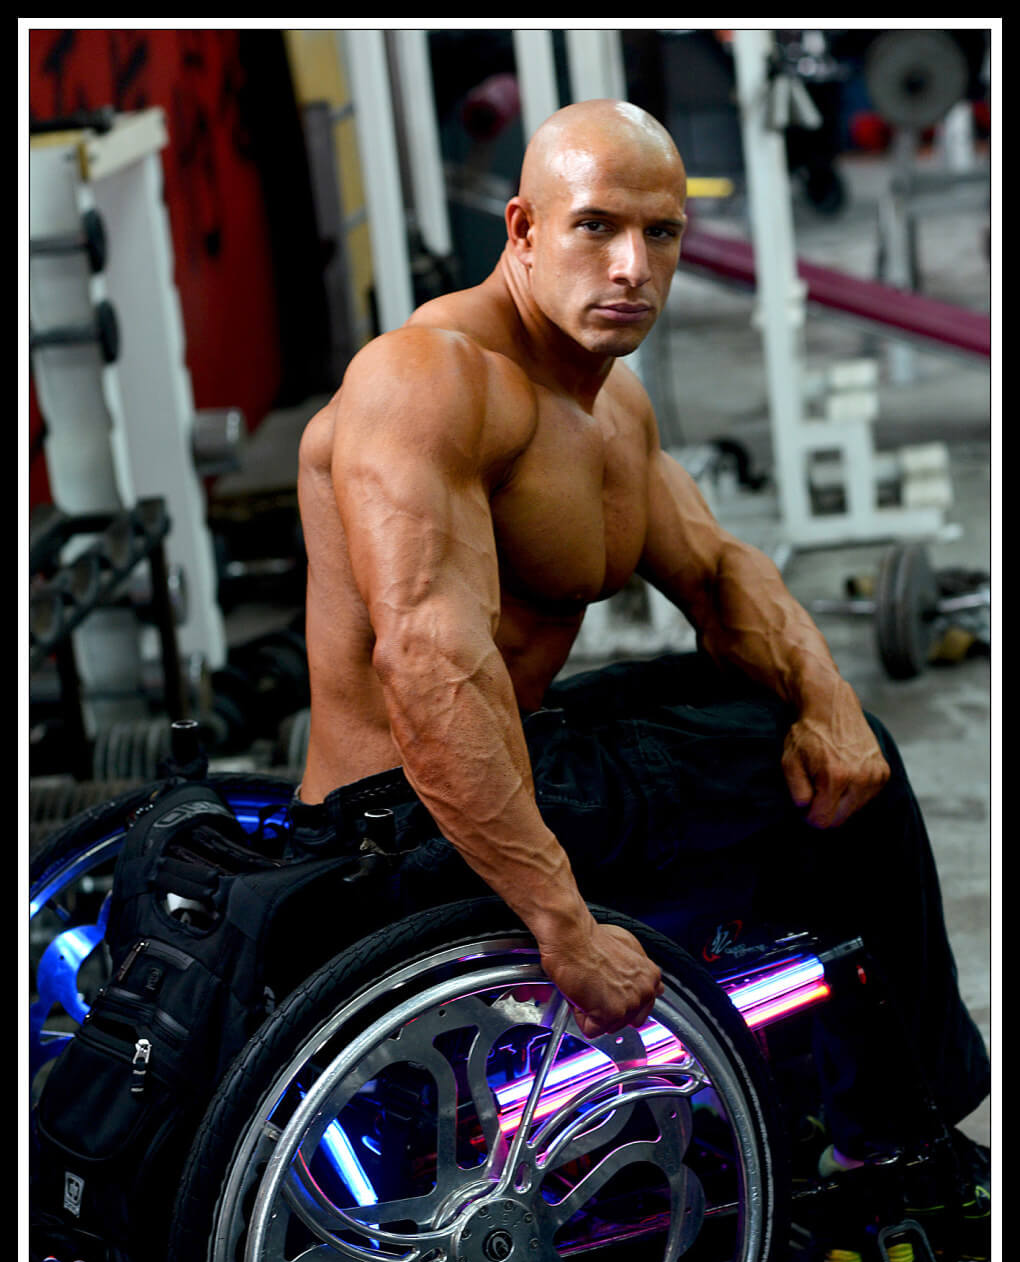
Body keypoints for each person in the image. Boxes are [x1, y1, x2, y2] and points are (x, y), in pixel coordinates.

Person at [290, 100, 989, 1198]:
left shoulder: (607, 403)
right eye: (596, 227)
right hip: (399, 825)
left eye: (660, 233)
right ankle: (898, 1148)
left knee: (824, 749)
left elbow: (718, 573)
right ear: (523, 229)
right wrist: (561, 924)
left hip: (514, 748)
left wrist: (829, 703)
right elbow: (425, 667)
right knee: (828, 801)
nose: (633, 267)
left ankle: (805, 1122)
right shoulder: (427, 381)